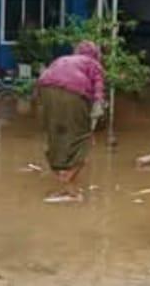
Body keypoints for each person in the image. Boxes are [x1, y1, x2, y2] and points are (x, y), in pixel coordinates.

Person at [36, 40, 105, 203]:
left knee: (55, 132)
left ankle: (59, 170)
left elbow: (44, 79)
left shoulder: (63, 59)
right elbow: (99, 91)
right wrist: (97, 110)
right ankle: (67, 182)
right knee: (83, 137)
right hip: (74, 90)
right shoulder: (93, 64)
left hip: (45, 88)